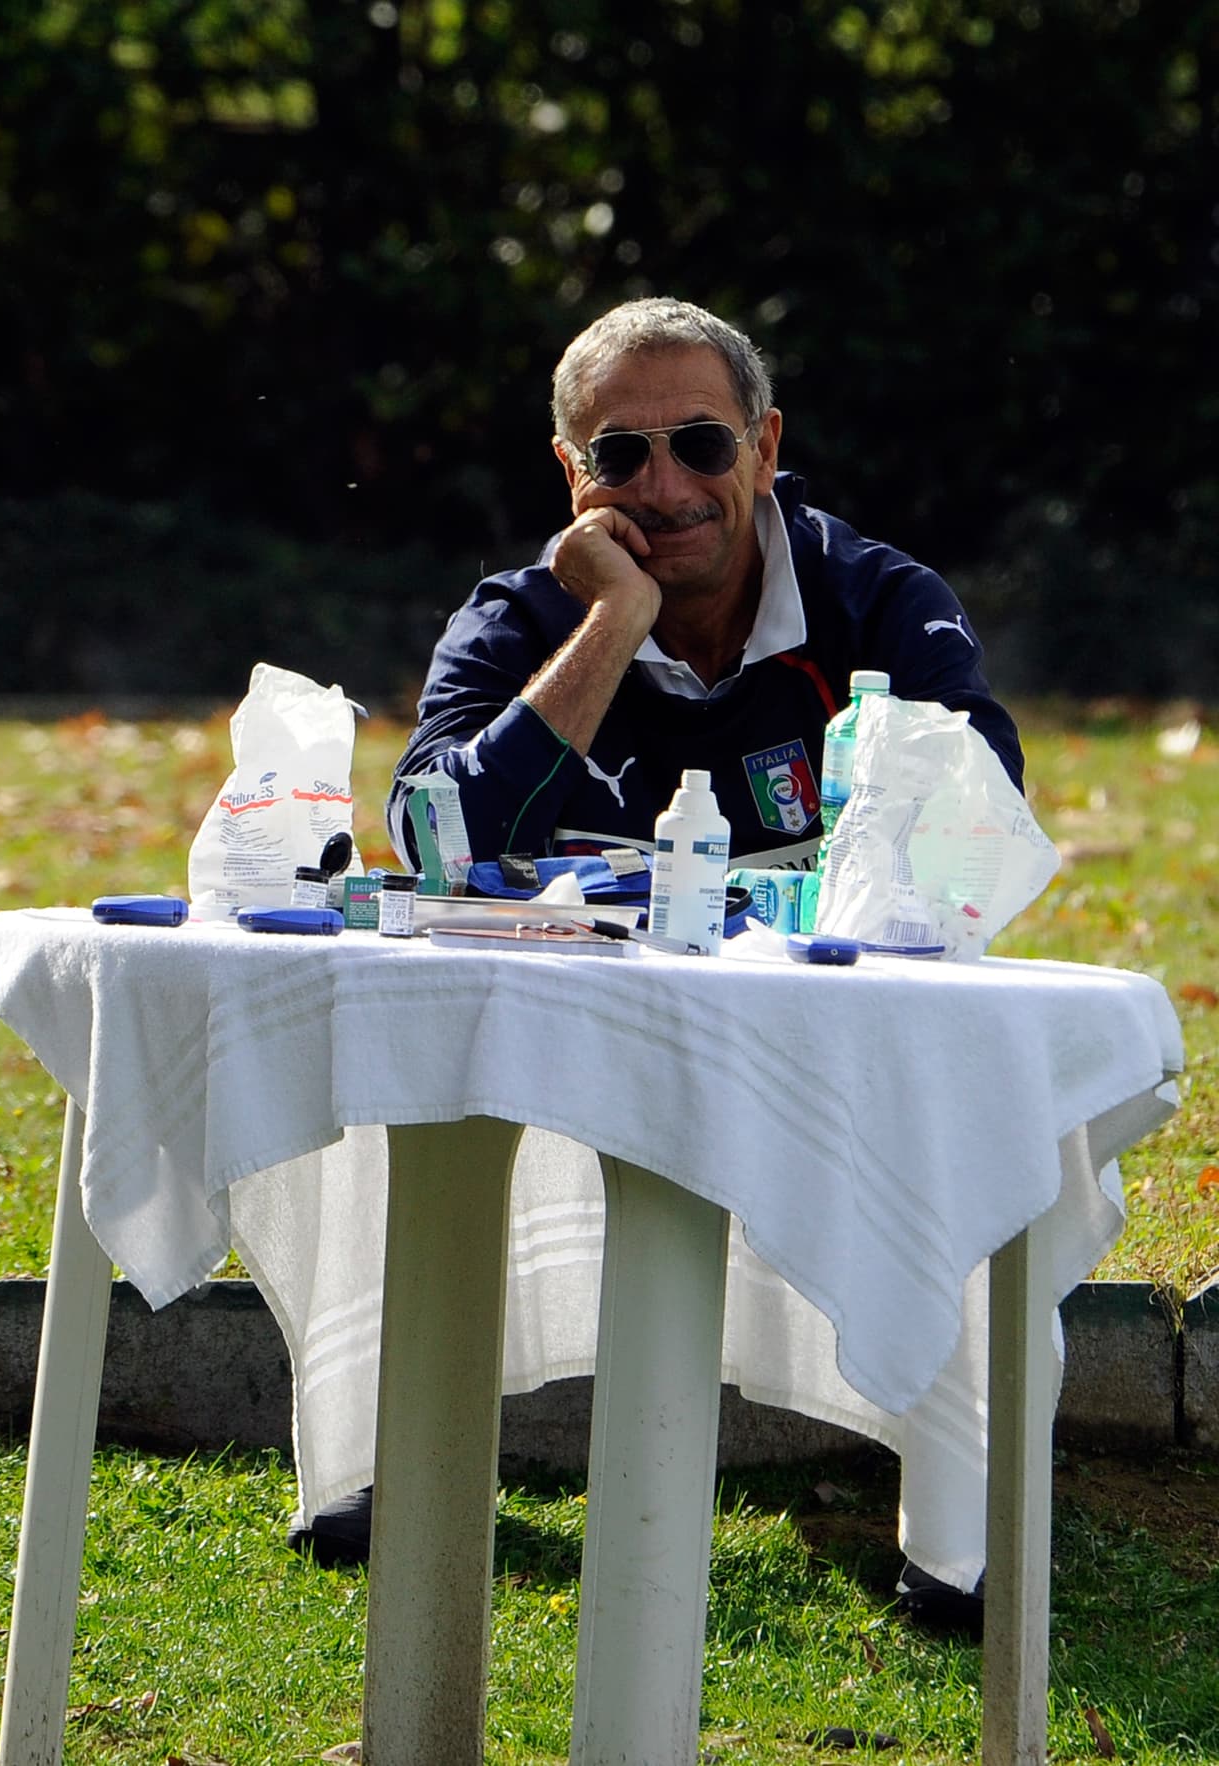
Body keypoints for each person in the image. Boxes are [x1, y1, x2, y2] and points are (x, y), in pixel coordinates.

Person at [291, 296, 1019, 1630]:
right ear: (572, 476)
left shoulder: (878, 597)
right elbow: (430, 841)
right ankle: (373, 1458)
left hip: (816, 1037)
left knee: (944, 1086)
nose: (668, 485)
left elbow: (982, 823)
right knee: (387, 1068)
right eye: (621, 457)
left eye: (700, 442)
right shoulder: (526, 613)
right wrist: (613, 622)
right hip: (553, 1035)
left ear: (768, 441)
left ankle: (952, 1527)